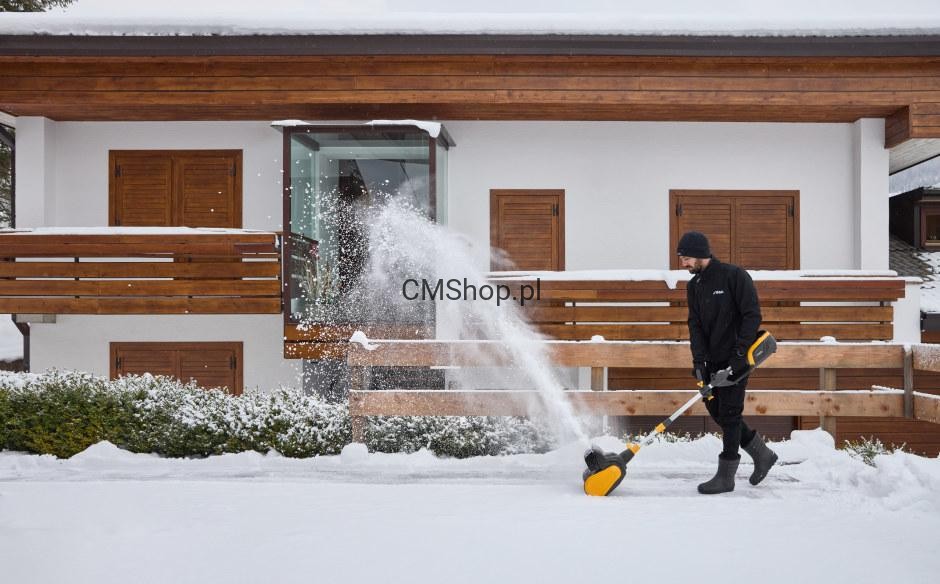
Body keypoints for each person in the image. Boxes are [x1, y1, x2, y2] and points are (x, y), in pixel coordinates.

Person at [677, 231, 778, 494]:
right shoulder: (694, 286)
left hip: (737, 359)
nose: (683, 264)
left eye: (686, 258)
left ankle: (726, 476)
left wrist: (739, 354)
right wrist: (699, 362)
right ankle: (763, 455)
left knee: (730, 414)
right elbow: (695, 325)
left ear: (699, 254)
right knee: (718, 412)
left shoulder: (734, 276)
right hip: (711, 360)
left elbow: (752, 315)